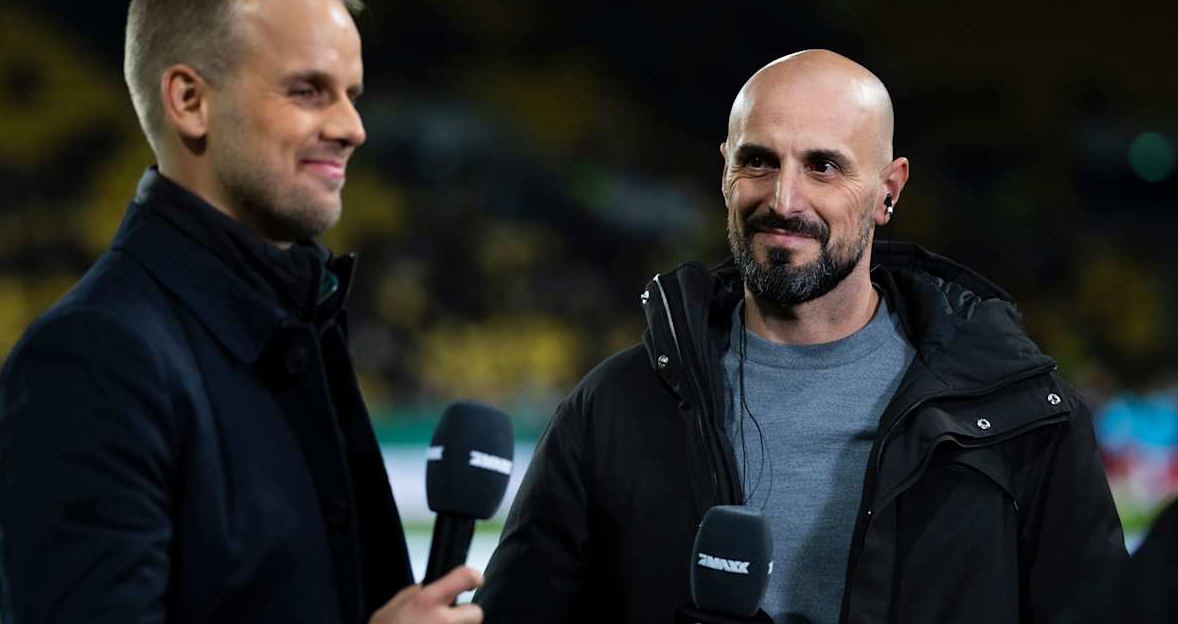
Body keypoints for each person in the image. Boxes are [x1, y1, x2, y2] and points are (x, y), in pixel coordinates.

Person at [475, 50, 1128, 623]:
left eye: (823, 167)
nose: (784, 200)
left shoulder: (1022, 419)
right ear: (726, 172)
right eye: (759, 161)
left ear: (888, 191)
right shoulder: (613, 408)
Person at [0, 0, 482, 624]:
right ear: (190, 102)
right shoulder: (91, 360)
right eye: (308, 90)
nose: (353, 128)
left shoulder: (300, 320)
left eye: (352, 95)